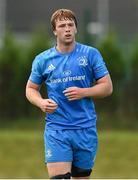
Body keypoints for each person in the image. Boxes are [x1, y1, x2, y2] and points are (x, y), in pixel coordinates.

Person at [26, 8, 113, 179]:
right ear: (54, 30)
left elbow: (107, 87)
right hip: (57, 130)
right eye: (62, 25)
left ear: (76, 29)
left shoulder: (90, 54)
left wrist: (84, 92)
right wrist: (41, 102)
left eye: (70, 25)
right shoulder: (43, 60)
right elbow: (30, 89)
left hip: (85, 129)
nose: (67, 29)